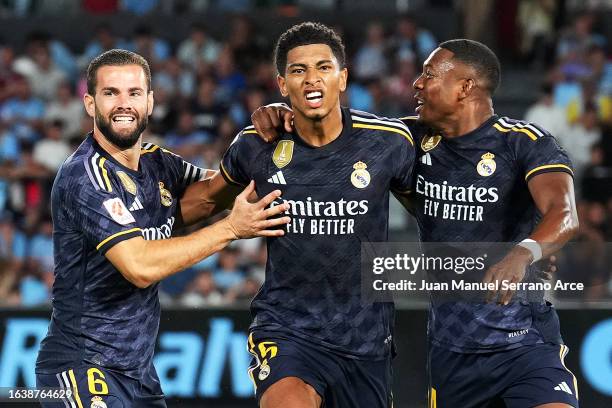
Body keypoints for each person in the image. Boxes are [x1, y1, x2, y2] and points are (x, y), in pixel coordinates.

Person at [253, 39, 579, 408]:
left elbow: (564, 213)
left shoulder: (525, 143)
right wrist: (283, 110)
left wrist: (524, 253)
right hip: (451, 351)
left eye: (429, 74)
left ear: (465, 87)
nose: (416, 84)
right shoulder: (407, 140)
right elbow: (333, 127)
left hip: (526, 341)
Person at [34, 49, 290, 408]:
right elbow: (140, 267)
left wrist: (255, 140)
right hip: (81, 368)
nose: (124, 104)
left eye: (134, 93)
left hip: (137, 374)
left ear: (151, 101)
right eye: (111, 93)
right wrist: (231, 229)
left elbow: (211, 193)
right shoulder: (84, 177)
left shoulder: (156, 161)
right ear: (90, 104)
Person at [191, 22, 415, 407]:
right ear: (282, 84)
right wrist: (137, 225)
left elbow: (436, 210)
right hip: (287, 328)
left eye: (323, 68)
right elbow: (208, 200)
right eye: (298, 71)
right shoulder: (256, 145)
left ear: (343, 78)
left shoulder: (388, 142)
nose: (312, 79)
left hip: (365, 338)